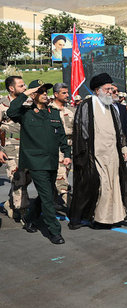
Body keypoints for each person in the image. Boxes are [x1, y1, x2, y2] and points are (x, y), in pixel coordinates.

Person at [70, 73, 127, 229]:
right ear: (97, 90)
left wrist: (122, 147)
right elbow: (82, 130)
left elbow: (119, 131)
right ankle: (86, 217)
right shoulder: (86, 106)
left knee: (112, 185)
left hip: (113, 154)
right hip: (94, 154)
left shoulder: (112, 107)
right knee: (96, 185)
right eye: (107, 89)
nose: (110, 92)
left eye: (111, 89)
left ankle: (111, 217)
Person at [7, 80, 71, 244]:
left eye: (46, 91)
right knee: (48, 198)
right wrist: (26, 93)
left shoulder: (53, 113)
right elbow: (11, 111)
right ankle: (54, 231)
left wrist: (67, 153)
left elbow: (61, 136)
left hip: (51, 160)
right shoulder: (25, 113)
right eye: (40, 91)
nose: (44, 94)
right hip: (36, 162)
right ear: (34, 94)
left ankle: (29, 218)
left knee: (48, 194)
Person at [0, 76, 33, 228]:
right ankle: (24, 214)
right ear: (11, 88)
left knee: (27, 178)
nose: (25, 87)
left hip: (28, 145)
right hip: (10, 145)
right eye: (21, 85)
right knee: (17, 177)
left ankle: (10, 203)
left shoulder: (28, 102)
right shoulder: (2, 104)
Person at [49, 83, 74, 208]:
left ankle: (51, 202)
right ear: (55, 94)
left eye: (67, 92)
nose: (67, 95)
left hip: (68, 147)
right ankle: (71, 207)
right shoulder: (49, 110)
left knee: (63, 174)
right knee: (61, 178)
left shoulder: (70, 111)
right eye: (64, 93)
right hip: (55, 147)